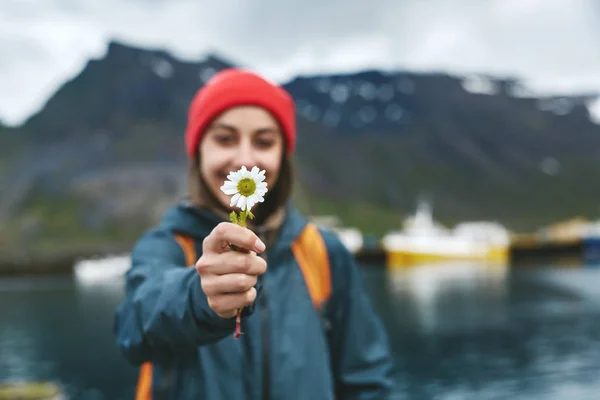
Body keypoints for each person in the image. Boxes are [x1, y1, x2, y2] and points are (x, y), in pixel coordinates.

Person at [113, 68, 394, 399]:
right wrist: (199, 296)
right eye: (224, 138)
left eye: (264, 142)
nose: (244, 160)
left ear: (282, 155)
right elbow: (134, 326)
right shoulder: (166, 246)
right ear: (198, 150)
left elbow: (366, 379)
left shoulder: (324, 253)